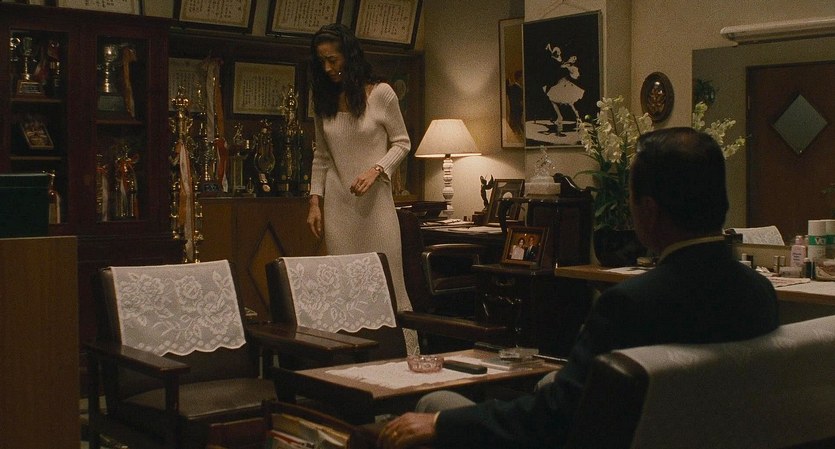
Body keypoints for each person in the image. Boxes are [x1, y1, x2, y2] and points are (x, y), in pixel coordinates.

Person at [377, 127, 779, 449]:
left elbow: (551, 418)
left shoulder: (629, 306)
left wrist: (442, 423)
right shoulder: (759, 294)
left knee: (433, 403)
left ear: (649, 211)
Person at [306, 24, 417, 353]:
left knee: (389, 281)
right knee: (344, 286)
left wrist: (376, 169)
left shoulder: (381, 94)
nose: (328, 68)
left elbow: (402, 142)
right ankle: (351, 358)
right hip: (339, 207)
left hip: (376, 205)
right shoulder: (321, 98)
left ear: (349, 56)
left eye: (333, 59)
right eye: (322, 62)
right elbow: (321, 156)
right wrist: (314, 202)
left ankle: (404, 355)